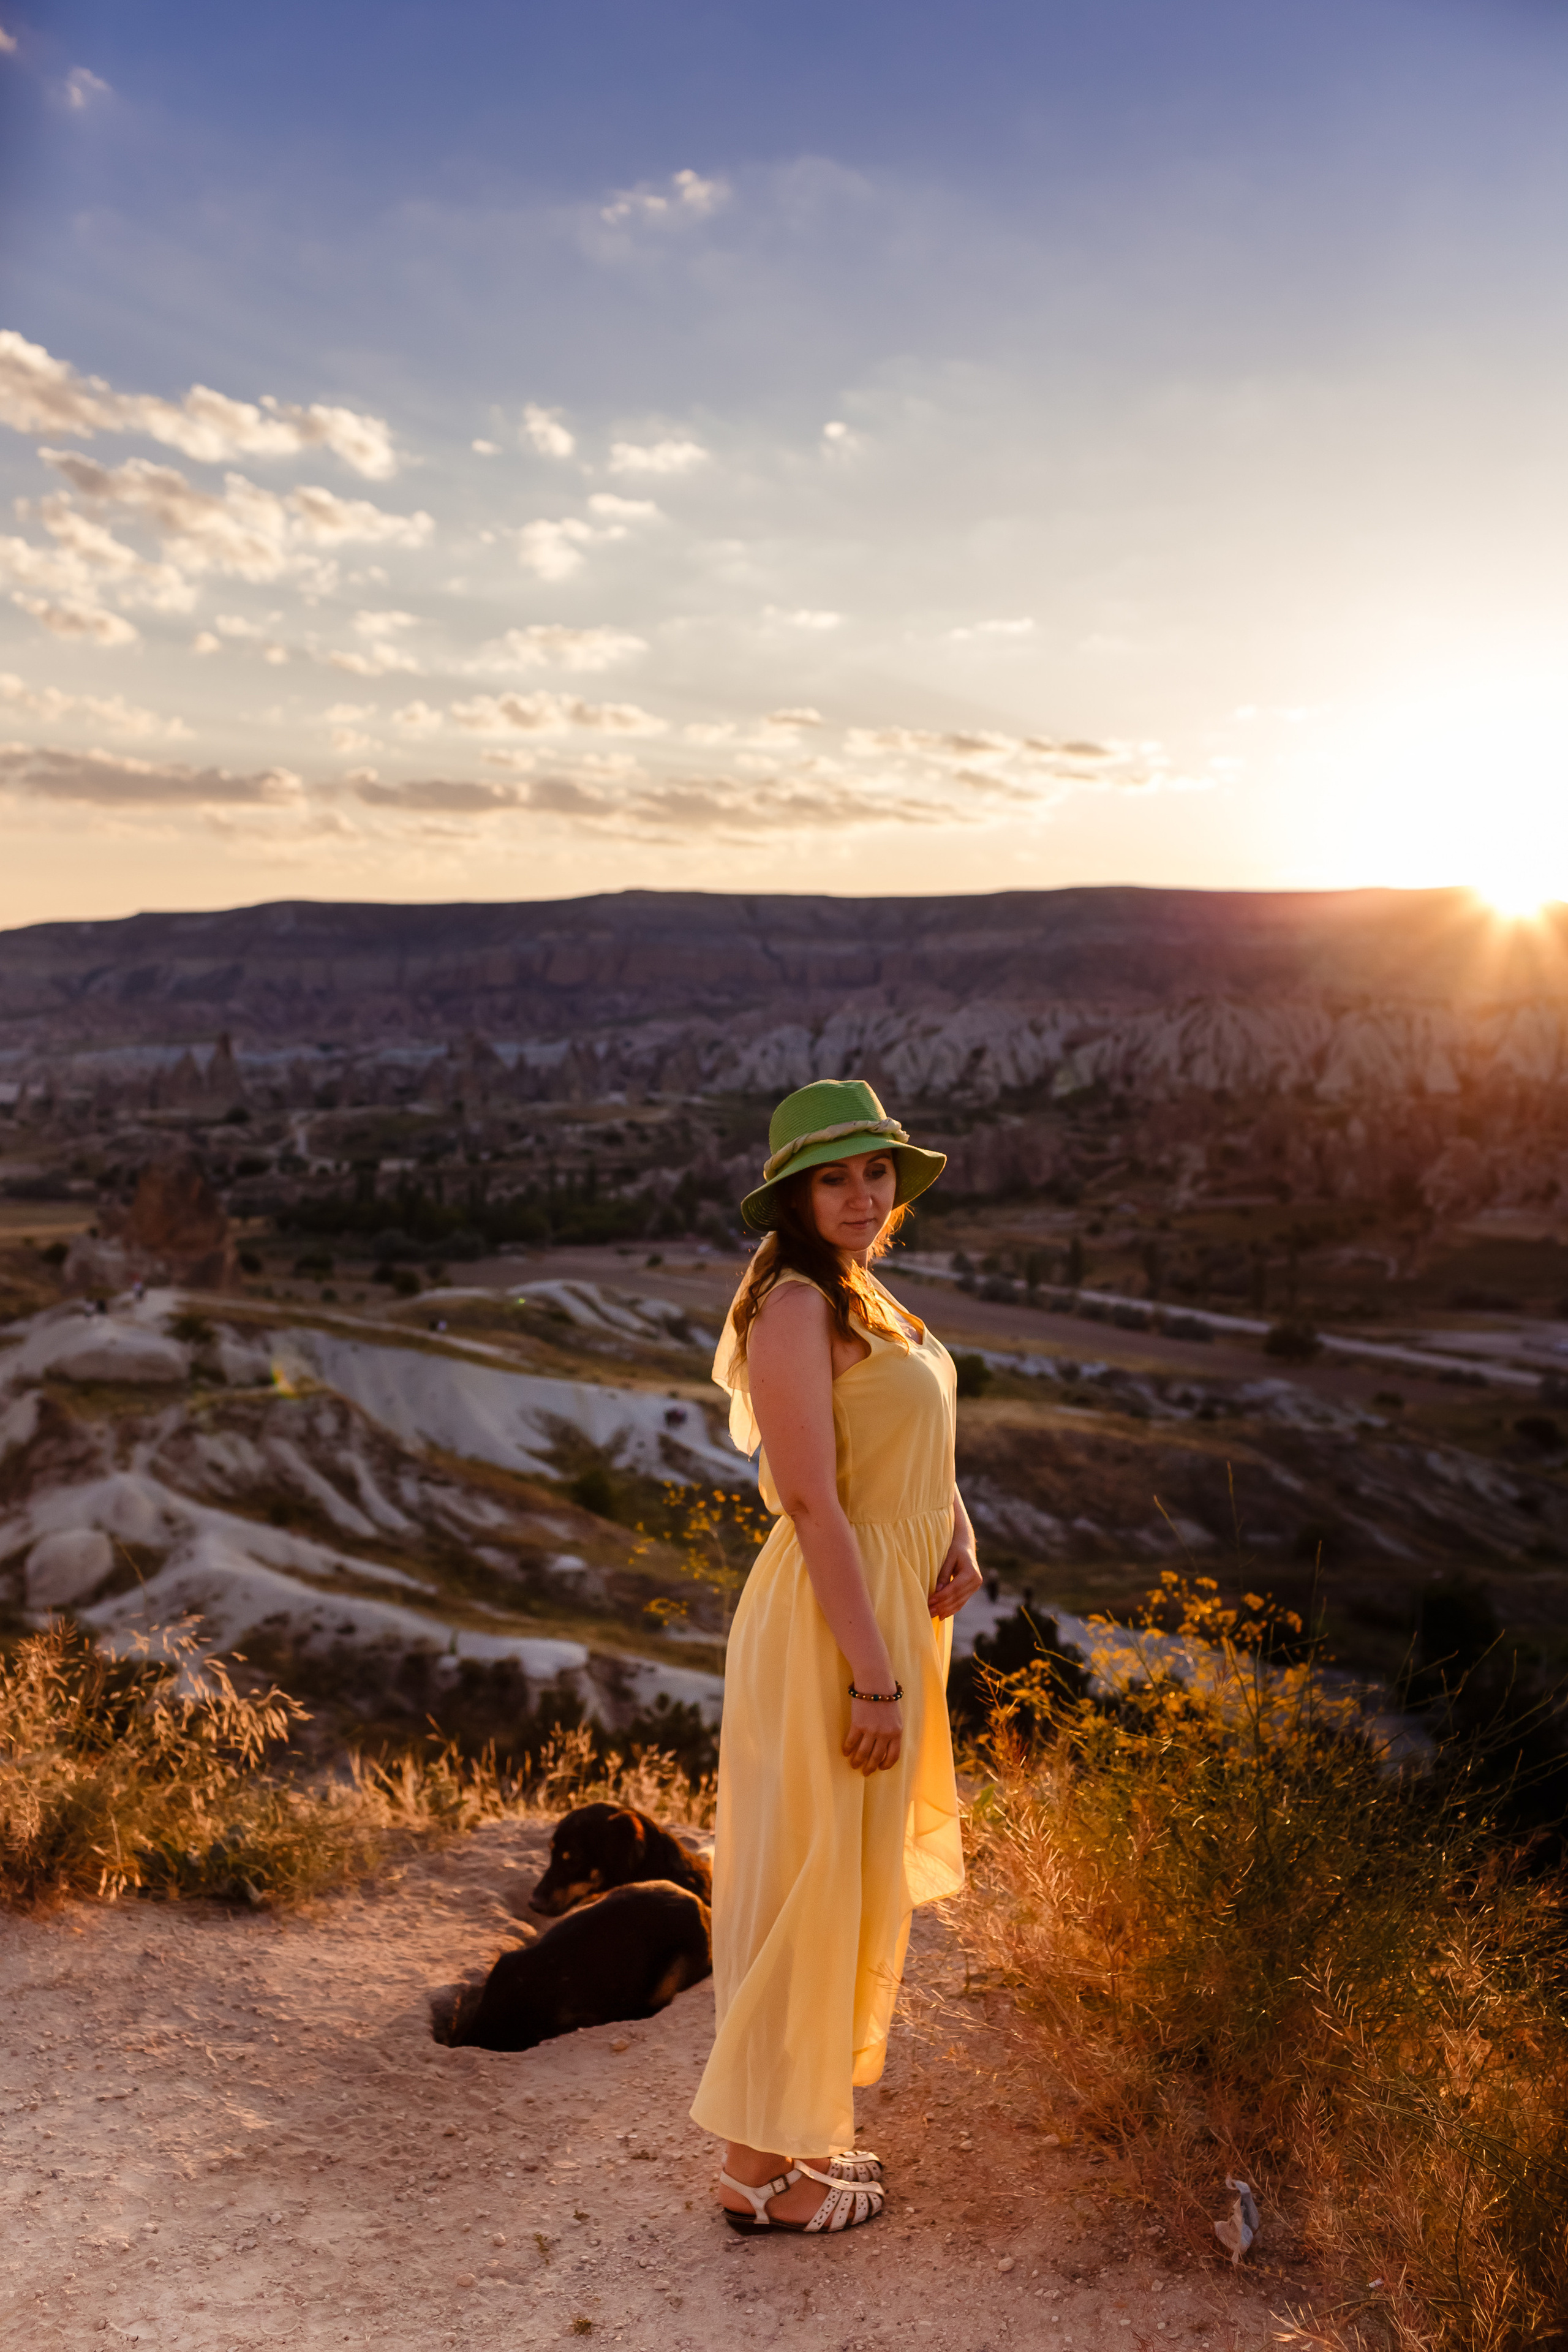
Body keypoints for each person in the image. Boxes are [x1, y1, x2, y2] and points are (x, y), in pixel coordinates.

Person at [689, 1078, 984, 2234]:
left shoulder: (864, 1293)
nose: (862, 1195)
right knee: (807, 1882)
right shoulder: (796, 1309)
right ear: (794, 1198)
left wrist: (958, 1528)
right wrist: (873, 1674)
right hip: (833, 1624)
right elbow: (813, 1502)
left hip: (887, 1611)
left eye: (875, 1174)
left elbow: (910, 1440)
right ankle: (757, 2178)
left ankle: (796, 2143)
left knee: (845, 1880)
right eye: (835, 1178)